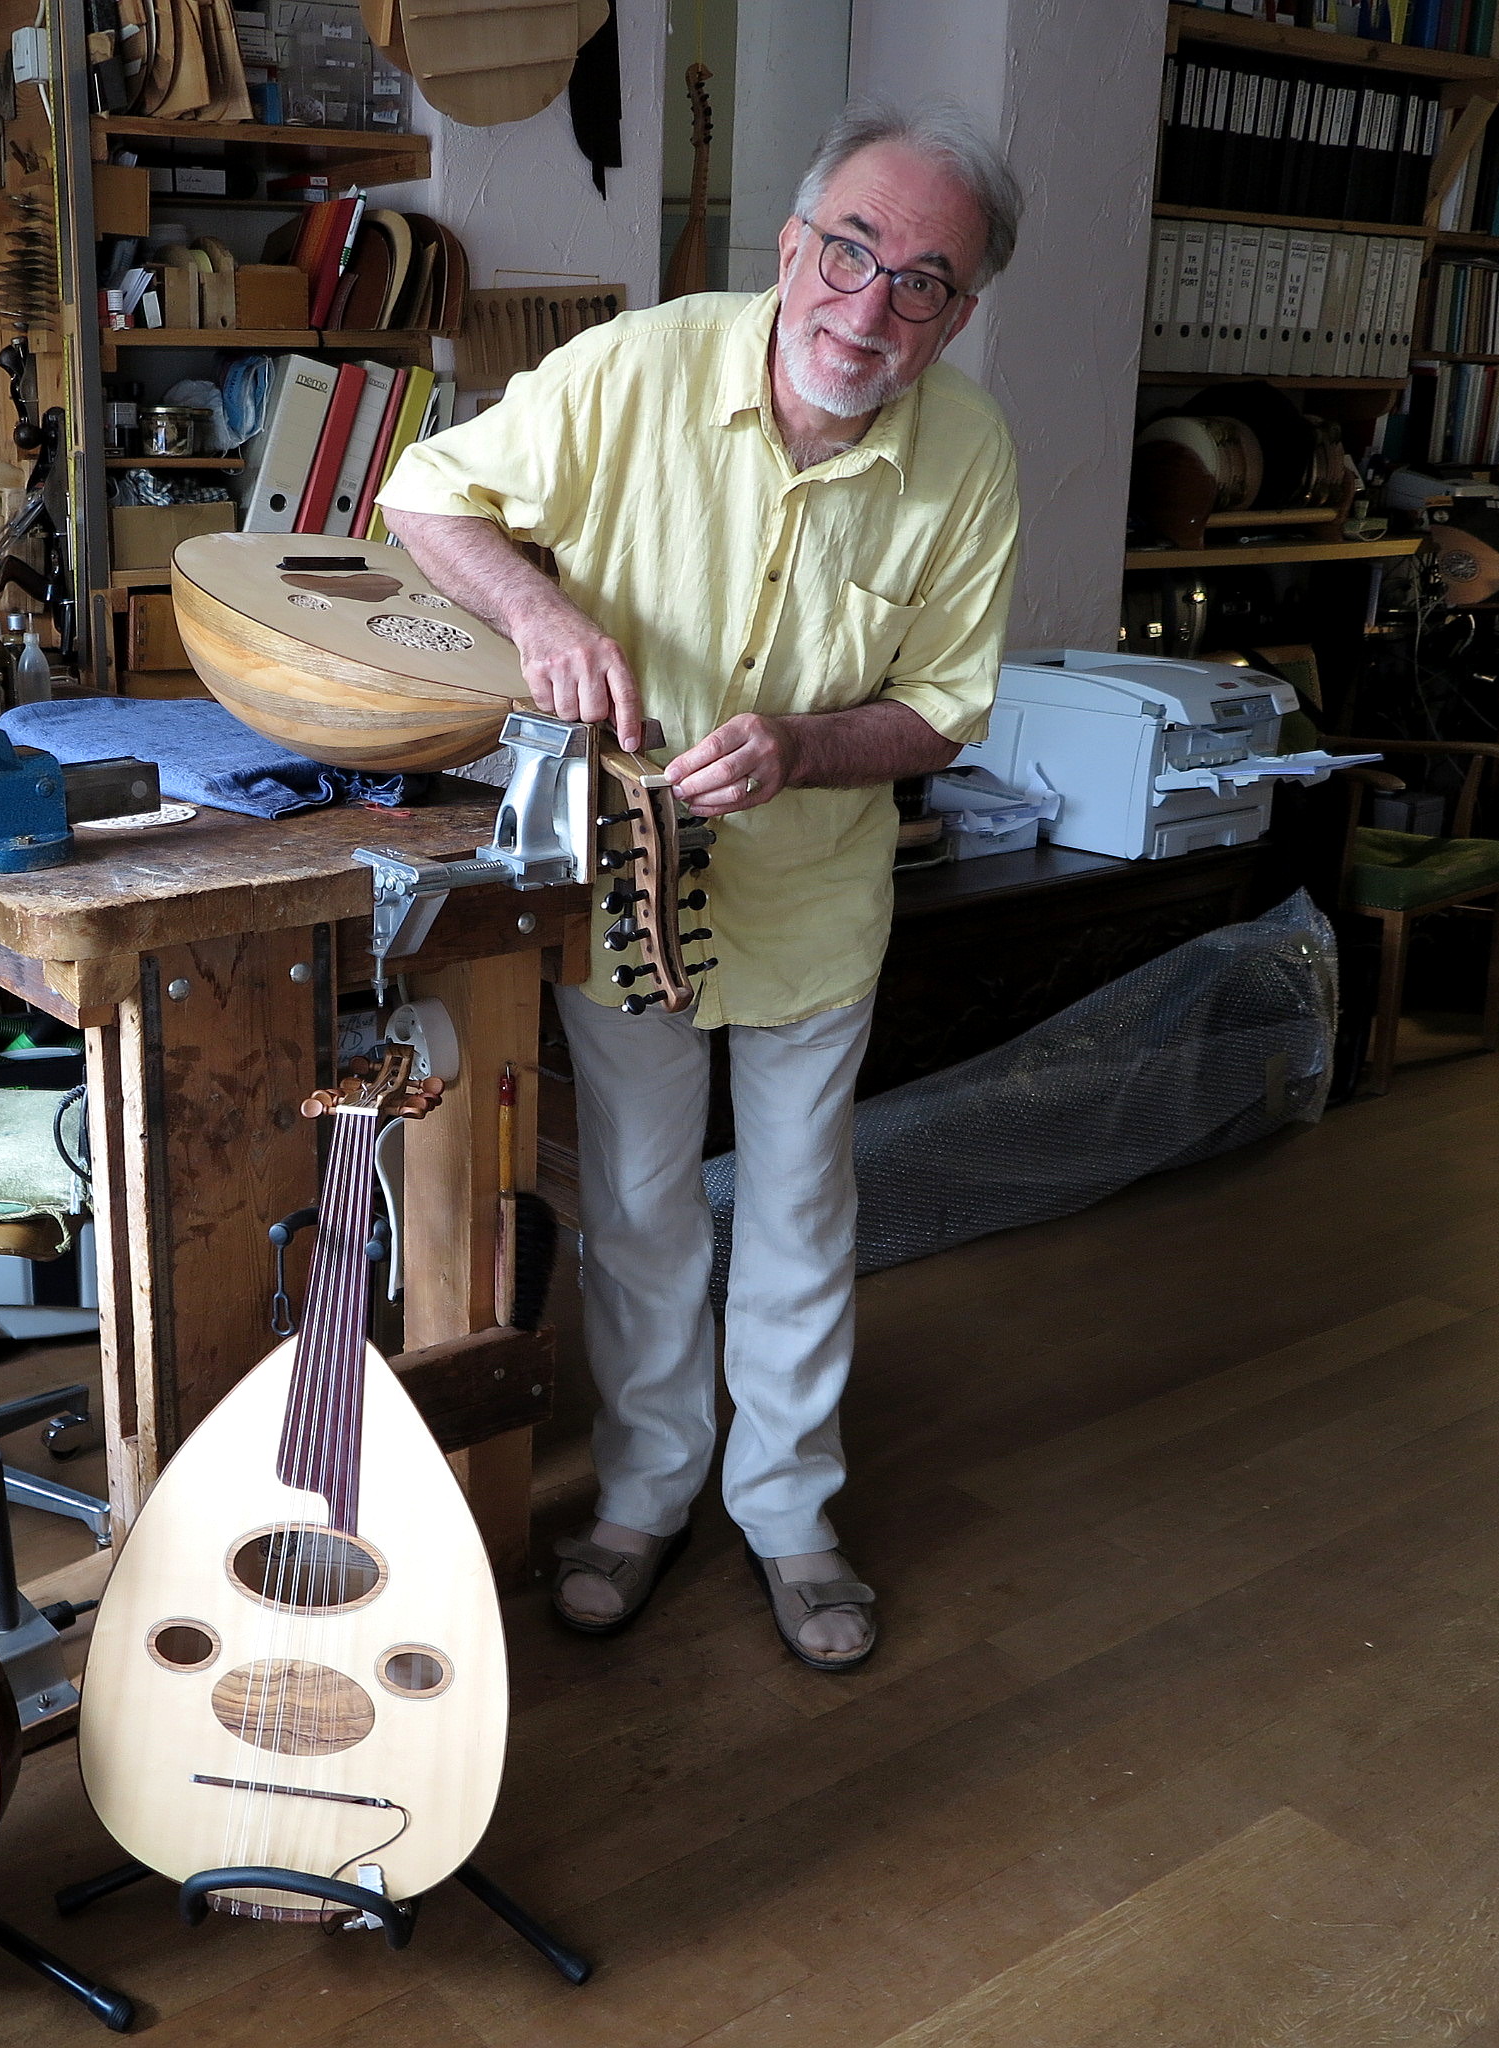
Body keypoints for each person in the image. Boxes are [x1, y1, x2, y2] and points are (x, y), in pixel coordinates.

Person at [376, 99, 1024, 1673]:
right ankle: (650, 1491)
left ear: (962, 309)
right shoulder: (642, 364)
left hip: (813, 897)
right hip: (622, 886)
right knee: (646, 1210)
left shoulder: (971, 456)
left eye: (924, 282)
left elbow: (945, 707)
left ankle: (791, 1514)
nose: (869, 311)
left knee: (800, 1210)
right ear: (792, 243)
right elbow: (421, 496)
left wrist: (802, 748)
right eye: (849, 252)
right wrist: (538, 617)